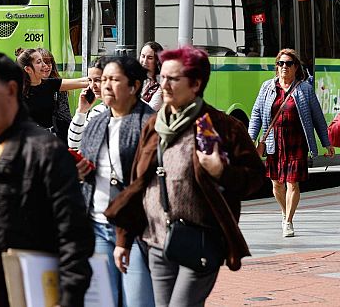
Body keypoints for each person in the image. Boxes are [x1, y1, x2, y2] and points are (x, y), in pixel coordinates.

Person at [105, 46, 265, 307]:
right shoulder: (154, 124)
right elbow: (138, 185)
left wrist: (221, 172)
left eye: (173, 79)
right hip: (156, 241)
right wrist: (123, 239)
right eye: (162, 77)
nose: (164, 85)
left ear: (196, 84)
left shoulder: (221, 126)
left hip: (200, 241)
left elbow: (256, 178)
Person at [0, 51, 94, 307]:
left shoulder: (44, 151)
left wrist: (68, 298)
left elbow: (74, 237)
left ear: (11, 90)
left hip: (23, 296)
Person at [77, 56, 155, 306]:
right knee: (102, 301)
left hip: (138, 229)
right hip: (97, 225)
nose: (106, 86)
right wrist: (81, 172)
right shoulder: (96, 122)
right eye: (104, 79)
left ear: (134, 86)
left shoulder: (149, 123)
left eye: (114, 80)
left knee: (137, 300)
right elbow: (89, 171)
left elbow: (146, 182)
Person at [248, 48, 333, 238]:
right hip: (274, 141)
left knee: (292, 183)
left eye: (288, 63)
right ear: (276, 67)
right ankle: (284, 211)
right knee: (277, 184)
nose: (284, 67)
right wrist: (251, 138)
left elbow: (318, 118)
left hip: (297, 141)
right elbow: (256, 114)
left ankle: (288, 221)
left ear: (296, 67)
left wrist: (326, 143)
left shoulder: (305, 89)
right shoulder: (267, 87)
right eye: (281, 63)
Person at [15, 48, 88, 134]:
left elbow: (82, 82)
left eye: (44, 61)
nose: (45, 65)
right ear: (28, 69)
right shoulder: (18, 93)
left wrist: (98, 78)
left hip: (50, 136)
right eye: (39, 62)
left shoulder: (50, 84)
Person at [68, 57, 108, 150]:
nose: (92, 86)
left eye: (97, 80)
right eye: (90, 80)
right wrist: (81, 111)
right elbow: (74, 145)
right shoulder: (97, 111)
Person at [37, 48, 72, 143]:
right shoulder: (27, 88)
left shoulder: (59, 86)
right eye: (42, 63)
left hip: (57, 136)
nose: (46, 66)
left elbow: (65, 115)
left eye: (49, 63)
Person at [138, 41, 163, 112]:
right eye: (143, 56)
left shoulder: (161, 82)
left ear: (157, 61)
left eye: (150, 58)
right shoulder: (135, 77)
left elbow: (152, 109)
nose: (144, 61)